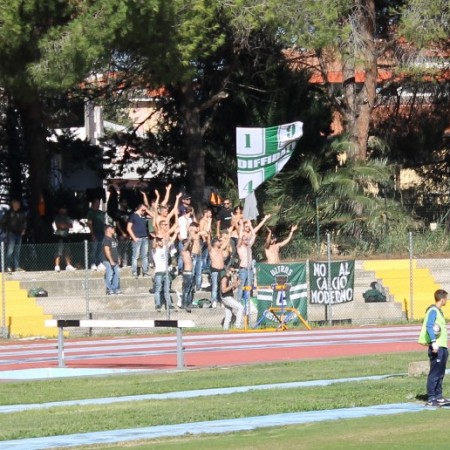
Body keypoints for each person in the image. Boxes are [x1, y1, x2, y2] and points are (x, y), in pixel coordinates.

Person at [418, 289, 449, 407]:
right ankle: (431, 397)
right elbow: (429, 326)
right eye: (446, 298)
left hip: (443, 346)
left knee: (441, 373)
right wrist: (434, 342)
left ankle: (438, 396)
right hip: (437, 346)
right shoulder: (433, 310)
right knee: (435, 373)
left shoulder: (439, 311)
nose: (447, 300)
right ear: (442, 299)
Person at [0, 199, 27, 273]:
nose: (18, 205)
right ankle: (7, 267)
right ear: (13, 204)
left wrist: (24, 229)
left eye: (18, 203)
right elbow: (3, 222)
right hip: (11, 233)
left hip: (19, 234)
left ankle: (17, 267)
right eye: (16, 203)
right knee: (10, 251)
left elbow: (24, 222)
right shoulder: (9, 213)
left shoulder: (21, 213)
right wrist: (5, 231)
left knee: (17, 251)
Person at [152, 233, 177, 311]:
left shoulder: (164, 248)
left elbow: (172, 240)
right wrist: (157, 237)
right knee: (158, 289)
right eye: (159, 241)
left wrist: (176, 232)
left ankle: (169, 305)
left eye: (161, 240)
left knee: (167, 290)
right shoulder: (154, 250)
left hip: (166, 272)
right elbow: (153, 245)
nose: (161, 242)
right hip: (159, 272)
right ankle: (158, 305)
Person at [127, 203, 152, 278]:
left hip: (145, 238)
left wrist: (147, 210)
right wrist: (134, 237)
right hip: (137, 238)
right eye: (143, 210)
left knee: (145, 256)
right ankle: (134, 272)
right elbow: (128, 228)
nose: (144, 211)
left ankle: (145, 271)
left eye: (145, 210)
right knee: (135, 256)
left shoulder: (143, 216)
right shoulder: (133, 216)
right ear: (139, 208)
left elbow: (153, 216)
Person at [53, 205, 76, 272]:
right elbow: (59, 226)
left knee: (67, 251)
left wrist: (64, 225)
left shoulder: (67, 217)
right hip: (59, 236)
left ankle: (68, 265)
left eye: (64, 209)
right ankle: (57, 265)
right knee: (58, 252)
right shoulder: (57, 217)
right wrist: (65, 225)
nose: (63, 210)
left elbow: (71, 225)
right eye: (62, 209)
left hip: (66, 236)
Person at [102, 223, 122, 295]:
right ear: (108, 230)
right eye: (112, 228)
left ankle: (115, 289)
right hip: (108, 261)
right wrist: (111, 260)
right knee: (110, 274)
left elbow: (115, 249)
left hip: (115, 260)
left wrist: (118, 257)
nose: (114, 229)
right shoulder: (106, 239)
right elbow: (107, 250)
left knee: (116, 274)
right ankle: (109, 290)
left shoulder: (113, 238)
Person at [87, 199, 106, 271]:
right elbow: (89, 224)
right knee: (94, 249)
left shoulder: (101, 213)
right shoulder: (90, 213)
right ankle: (93, 264)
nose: (99, 204)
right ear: (93, 203)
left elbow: (103, 223)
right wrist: (93, 234)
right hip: (95, 233)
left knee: (101, 249)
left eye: (99, 203)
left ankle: (100, 263)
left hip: (102, 233)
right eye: (97, 203)